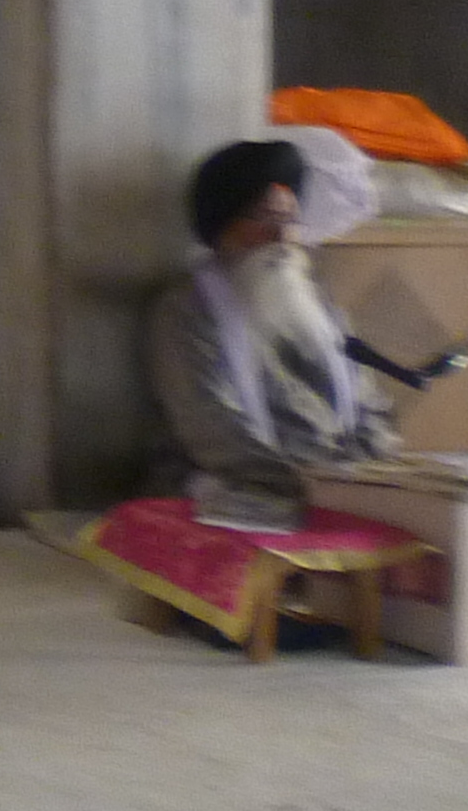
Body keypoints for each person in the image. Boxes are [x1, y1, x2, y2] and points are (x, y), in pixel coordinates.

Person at [150, 139, 396, 528]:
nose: (281, 239)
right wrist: (312, 484)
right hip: (243, 484)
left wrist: (369, 471)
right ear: (222, 225)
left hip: (337, 481)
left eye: (289, 221)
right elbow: (210, 430)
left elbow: (370, 404)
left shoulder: (314, 299)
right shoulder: (186, 310)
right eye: (264, 220)